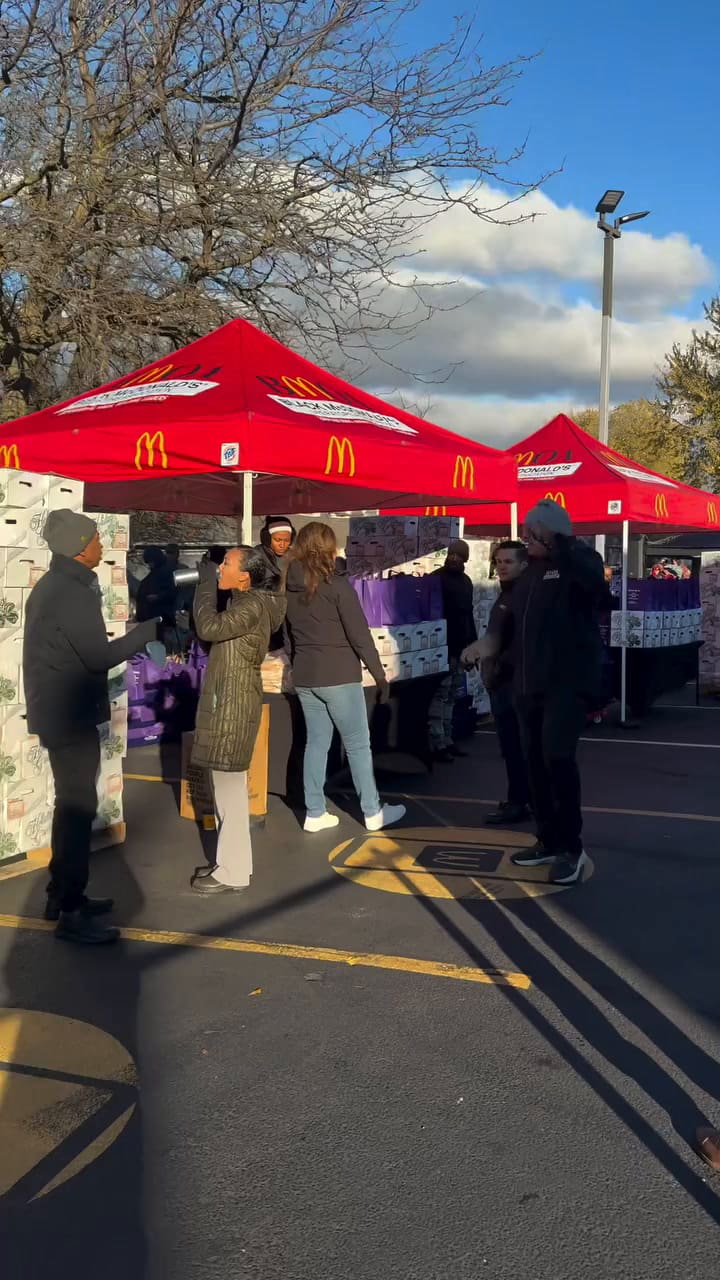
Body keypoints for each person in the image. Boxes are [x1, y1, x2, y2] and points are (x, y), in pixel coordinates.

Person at [23, 510, 158, 944]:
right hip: (70, 715)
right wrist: (147, 632)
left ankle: (60, 894)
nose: (103, 543)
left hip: (61, 712)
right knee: (78, 809)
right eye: (98, 537)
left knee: (71, 805)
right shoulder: (69, 592)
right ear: (81, 545)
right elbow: (98, 656)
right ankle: (71, 911)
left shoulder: (58, 586)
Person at [465, 500, 606, 887]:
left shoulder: (578, 562)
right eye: (527, 532)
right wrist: (480, 649)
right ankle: (547, 839)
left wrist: (559, 542)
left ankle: (571, 849)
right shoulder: (529, 576)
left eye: (533, 532)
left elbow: (595, 585)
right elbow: (503, 628)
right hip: (527, 688)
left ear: (551, 531)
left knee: (558, 760)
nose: (527, 539)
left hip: (566, 685)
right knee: (534, 764)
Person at [284, 522, 406, 834]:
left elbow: (286, 638)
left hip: (306, 674)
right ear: (328, 548)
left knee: (316, 743)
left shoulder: (288, 587)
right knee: (358, 745)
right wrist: (380, 676)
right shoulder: (337, 586)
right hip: (339, 673)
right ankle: (372, 811)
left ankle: (314, 811)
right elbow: (360, 636)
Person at [190, 546, 287, 895]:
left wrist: (203, 586)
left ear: (245, 575)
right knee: (226, 790)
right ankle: (231, 864)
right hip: (231, 698)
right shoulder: (248, 603)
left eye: (227, 564)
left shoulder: (249, 605)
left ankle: (231, 871)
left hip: (232, 703)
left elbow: (208, 626)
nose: (219, 568)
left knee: (229, 791)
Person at [481, 540, 532, 826]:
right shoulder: (506, 594)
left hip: (515, 684)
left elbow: (520, 643)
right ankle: (523, 799)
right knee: (512, 746)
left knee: (517, 747)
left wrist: (488, 657)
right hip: (501, 683)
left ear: (523, 565)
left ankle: (519, 802)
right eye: (498, 561)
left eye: (508, 561)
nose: (501, 566)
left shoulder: (522, 598)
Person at [428, 539, 478, 763]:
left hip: (460, 645)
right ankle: (437, 742)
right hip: (442, 646)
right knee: (441, 694)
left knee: (451, 696)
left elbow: (468, 614)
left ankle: (447, 739)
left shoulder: (466, 581)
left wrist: (473, 646)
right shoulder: (436, 579)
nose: (454, 558)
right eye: (452, 554)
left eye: (459, 555)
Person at [256, 516, 296, 650]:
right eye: (278, 540)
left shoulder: (294, 558)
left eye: (287, 540)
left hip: (287, 616)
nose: (282, 544)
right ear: (267, 539)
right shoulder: (255, 557)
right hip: (263, 619)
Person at [135, 546, 176, 624]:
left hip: (161, 614)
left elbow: (172, 591)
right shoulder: (157, 570)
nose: (150, 565)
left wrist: (158, 597)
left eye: (150, 562)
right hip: (154, 614)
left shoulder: (166, 571)